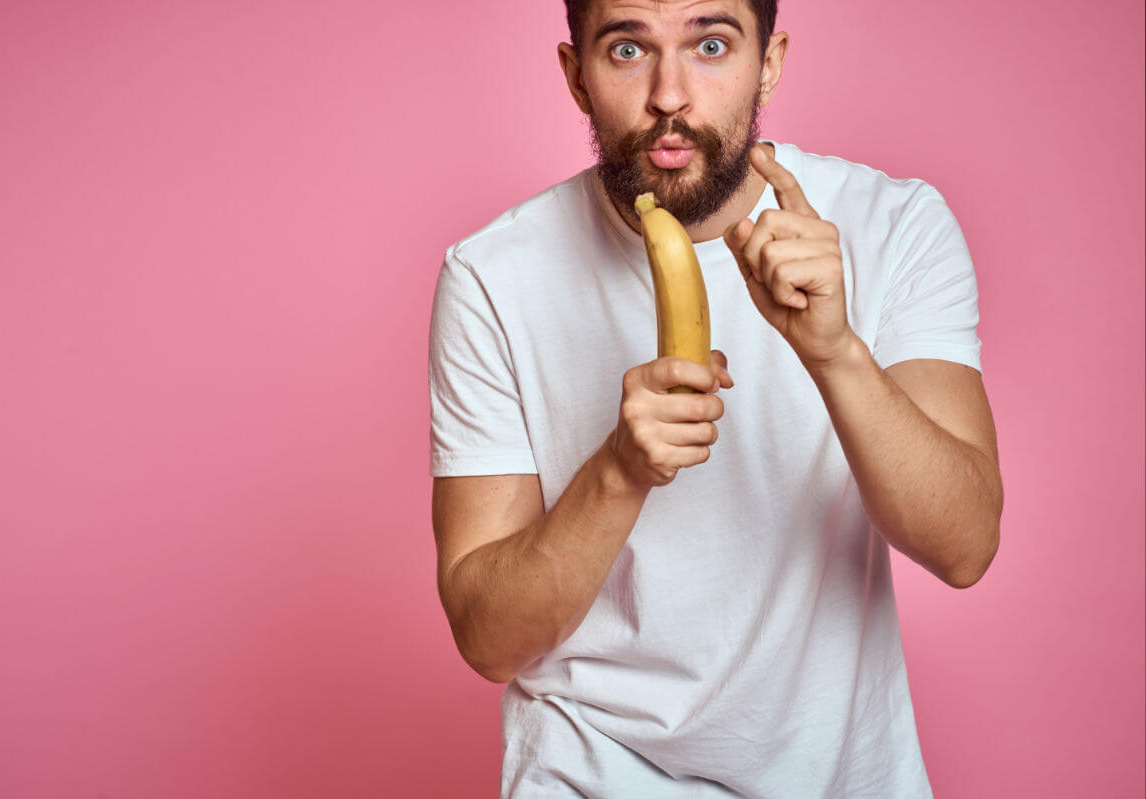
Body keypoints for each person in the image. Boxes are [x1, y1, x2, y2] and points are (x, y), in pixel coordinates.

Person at [427, 0, 1004, 795]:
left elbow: (966, 544)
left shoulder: (893, 225)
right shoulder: (492, 277)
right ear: (576, 76)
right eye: (628, 49)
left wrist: (836, 354)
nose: (670, 93)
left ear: (769, 61)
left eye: (710, 43)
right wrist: (620, 471)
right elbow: (488, 637)